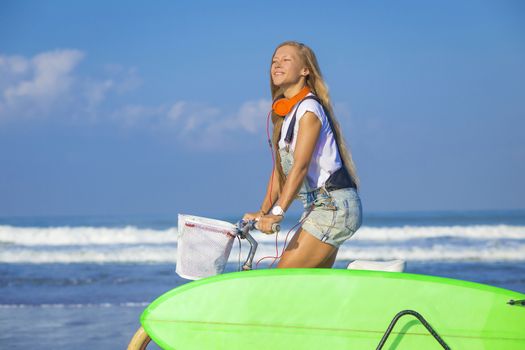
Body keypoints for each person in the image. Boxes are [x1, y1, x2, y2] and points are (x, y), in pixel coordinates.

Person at [243, 41, 362, 268]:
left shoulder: (309, 110)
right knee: (309, 288)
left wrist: (277, 213)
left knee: (283, 280)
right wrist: (262, 211)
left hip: (333, 208)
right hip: (322, 208)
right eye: (274, 61)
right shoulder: (288, 114)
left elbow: (299, 167)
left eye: (286, 60)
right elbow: (280, 173)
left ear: (305, 70)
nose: (277, 65)